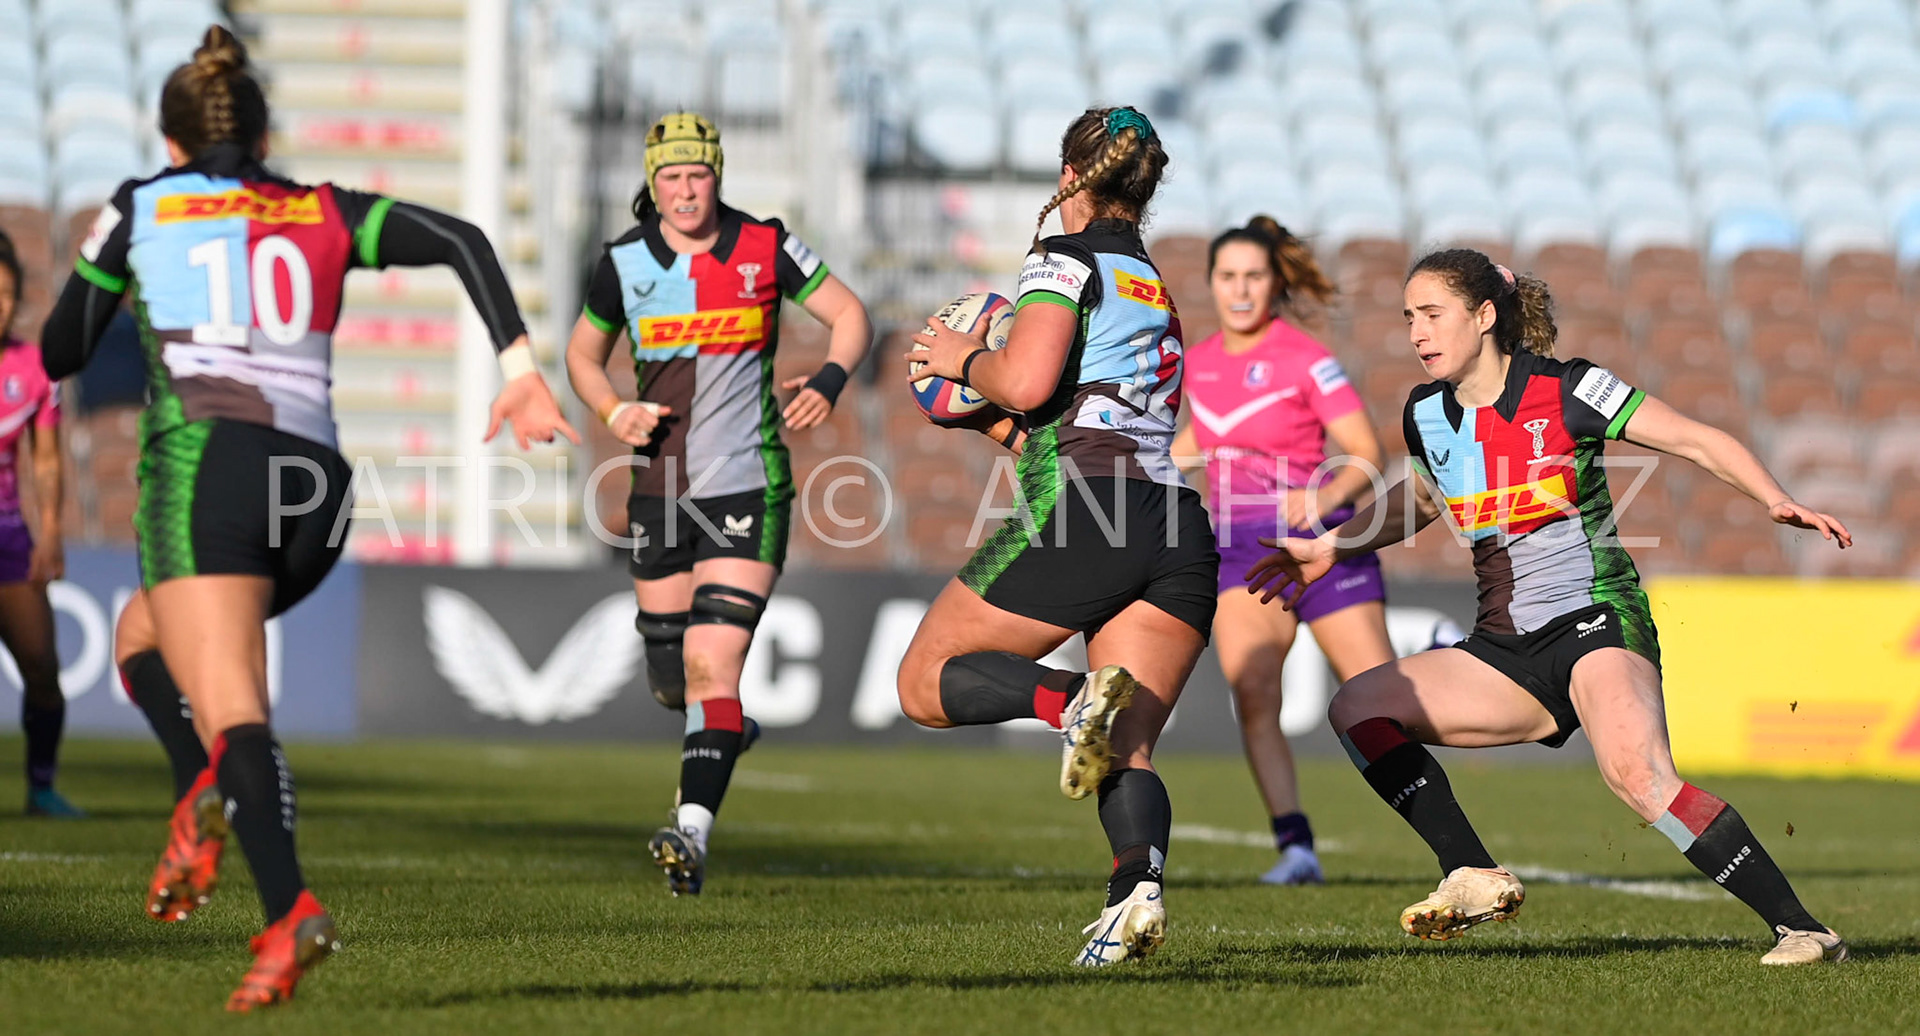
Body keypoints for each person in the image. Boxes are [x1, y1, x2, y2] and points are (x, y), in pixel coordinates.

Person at [41, 27, 578, 1009]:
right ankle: (197, 795)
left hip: (211, 469)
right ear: (264, 135)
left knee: (234, 711)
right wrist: (520, 370)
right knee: (141, 636)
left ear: (170, 142)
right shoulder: (323, 208)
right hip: (317, 488)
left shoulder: (145, 204)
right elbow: (462, 239)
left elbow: (61, 350)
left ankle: (289, 908)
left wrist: (106, 245)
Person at [1246, 248, 1850, 965]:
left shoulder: (1570, 387)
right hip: (1506, 648)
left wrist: (1774, 497)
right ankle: (1470, 871)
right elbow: (1425, 500)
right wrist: (1332, 546)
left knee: (1639, 777)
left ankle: (1802, 929)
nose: (1416, 332)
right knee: (1357, 708)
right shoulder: (1424, 413)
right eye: (1408, 318)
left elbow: (1693, 438)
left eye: (1432, 314)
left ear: (1484, 315)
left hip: (1596, 620)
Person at [897, 107, 1216, 967]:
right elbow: (1084, 421)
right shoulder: (1150, 282)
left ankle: (1069, 703)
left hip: (1091, 510)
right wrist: (992, 425)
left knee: (923, 681)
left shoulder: (1063, 258)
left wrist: (964, 360)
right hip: (1174, 524)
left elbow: (1030, 380)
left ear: (1072, 174)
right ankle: (1133, 898)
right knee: (1130, 746)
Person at [564, 111, 872, 897]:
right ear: (653, 182)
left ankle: (691, 833)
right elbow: (581, 355)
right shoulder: (623, 261)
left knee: (712, 665)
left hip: (747, 487)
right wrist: (611, 410)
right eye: (670, 177)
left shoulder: (765, 246)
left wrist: (830, 379)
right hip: (659, 493)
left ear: (718, 174)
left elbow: (850, 315)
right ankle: (725, 730)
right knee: (672, 680)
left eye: (697, 175)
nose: (685, 190)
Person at [1170, 216, 1395, 885]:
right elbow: (1195, 444)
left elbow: (1368, 454)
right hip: (1241, 547)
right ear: (1211, 283)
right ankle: (1296, 848)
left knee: (1383, 706)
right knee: (1253, 688)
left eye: (1254, 276)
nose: (1241, 289)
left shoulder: (1306, 359)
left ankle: (1444, 661)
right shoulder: (1196, 363)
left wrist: (1323, 498)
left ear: (1274, 283)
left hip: (1323, 544)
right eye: (1228, 276)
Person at [0, 230, 79, 818]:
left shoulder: (32, 366)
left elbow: (46, 459)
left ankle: (42, 786)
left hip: (8, 533)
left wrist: (50, 532)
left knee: (43, 670)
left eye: (6, 294)